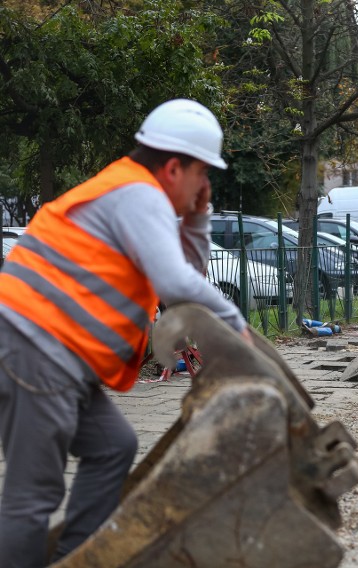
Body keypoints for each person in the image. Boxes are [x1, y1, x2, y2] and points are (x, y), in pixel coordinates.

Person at [0, 99, 250, 566]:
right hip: (35, 344)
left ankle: (77, 557)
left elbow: (182, 281)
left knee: (114, 446)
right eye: (202, 173)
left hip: (57, 353)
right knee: (31, 496)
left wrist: (197, 218)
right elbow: (178, 283)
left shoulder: (135, 192)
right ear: (174, 167)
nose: (205, 184)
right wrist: (237, 327)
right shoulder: (137, 195)